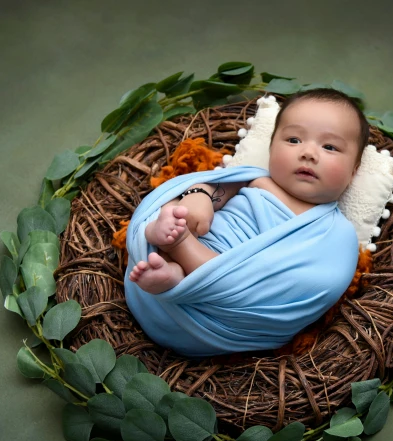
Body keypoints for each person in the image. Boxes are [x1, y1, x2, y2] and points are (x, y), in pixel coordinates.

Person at [128, 88, 370, 294]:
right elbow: (214, 185)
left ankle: (177, 261)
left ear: (353, 171)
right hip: (201, 235)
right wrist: (200, 195)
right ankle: (168, 262)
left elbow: (321, 281)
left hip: (236, 278)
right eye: (294, 140)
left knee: (224, 273)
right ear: (272, 147)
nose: (307, 153)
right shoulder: (252, 178)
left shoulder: (337, 232)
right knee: (171, 207)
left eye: (329, 146)